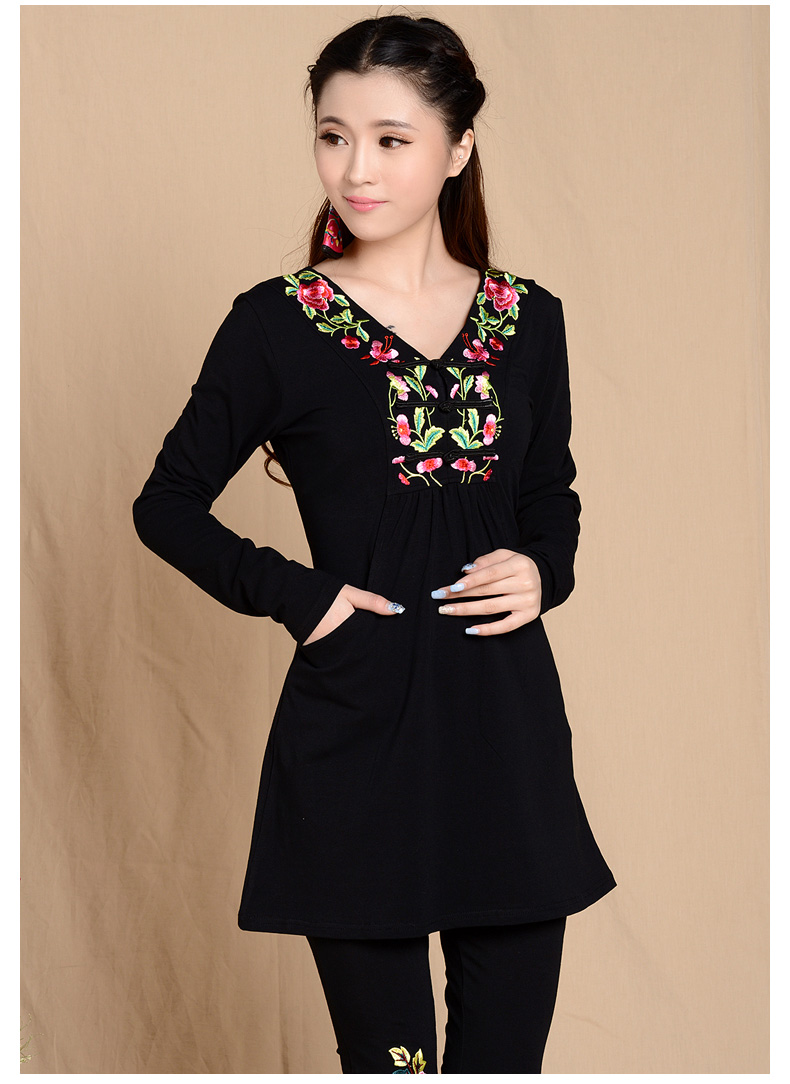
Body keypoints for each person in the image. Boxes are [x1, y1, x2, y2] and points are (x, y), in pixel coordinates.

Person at [132, 13, 617, 1075]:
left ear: (458, 147)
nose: (356, 168)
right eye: (333, 136)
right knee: (390, 1065)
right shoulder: (276, 323)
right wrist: (303, 599)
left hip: (507, 738)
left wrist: (546, 570)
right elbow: (165, 505)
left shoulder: (529, 320)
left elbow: (550, 494)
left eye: (392, 139)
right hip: (357, 735)